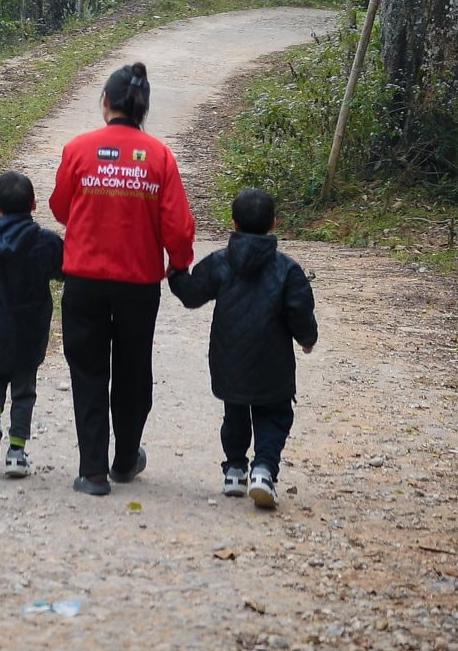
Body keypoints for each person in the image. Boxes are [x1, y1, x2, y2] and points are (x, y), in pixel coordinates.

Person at [49, 60, 195, 496]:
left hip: (84, 281)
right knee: (133, 371)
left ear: (105, 103)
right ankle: (126, 459)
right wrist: (178, 265)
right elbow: (178, 227)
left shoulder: (78, 149)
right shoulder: (159, 157)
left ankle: (92, 471)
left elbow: (60, 208)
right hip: (138, 285)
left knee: (88, 371)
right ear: (141, 108)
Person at [168, 184, 318, 509]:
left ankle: (235, 469)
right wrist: (307, 339)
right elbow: (299, 310)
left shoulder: (221, 262)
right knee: (274, 415)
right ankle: (263, 470)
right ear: (274, 223)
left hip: (229, 359)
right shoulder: (287, 269)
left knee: (234, 413)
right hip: (273, 362)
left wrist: (176, 270)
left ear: (233, 223)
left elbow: (193, 294)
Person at [0, 168, 64, 477]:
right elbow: (64, 269)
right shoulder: (45, 242)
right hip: (29, 331)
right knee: (23, 389)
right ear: (34, 204)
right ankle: (17, 452)